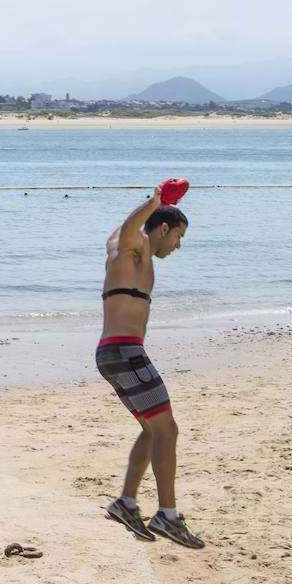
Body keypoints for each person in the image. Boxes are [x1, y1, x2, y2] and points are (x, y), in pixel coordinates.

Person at [97, 181, 204, 549]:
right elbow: (131, 229)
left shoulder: (120, 246)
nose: (178, 245)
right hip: (127, 353)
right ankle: (168, 514)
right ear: (162, 229)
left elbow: (119, 228)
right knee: (168, 431)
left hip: (113, 353)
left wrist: (161, 204)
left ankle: (126, 503)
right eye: (178, 235)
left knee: (152, 430)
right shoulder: (136, 246)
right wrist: (156, 200)